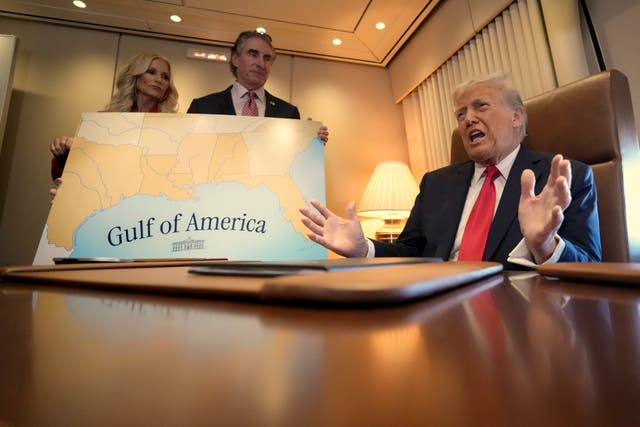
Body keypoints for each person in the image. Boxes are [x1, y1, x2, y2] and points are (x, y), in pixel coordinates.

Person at [299, 73, 602, 269]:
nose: (468, 119)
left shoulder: (562, 178)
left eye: (481, 106)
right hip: (438, 319)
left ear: (516, 117)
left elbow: (590, 267)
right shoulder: (436, 184)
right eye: (461, 113)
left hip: (520, 323)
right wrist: (365, 249)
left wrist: (546, 246)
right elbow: (412, 253)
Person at [49, 52, 179, 191]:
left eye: (165, 77)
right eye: (151, 72)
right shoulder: (104, 121)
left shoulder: (173, 128)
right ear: (135, 75)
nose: (159, 79)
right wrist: (63, 154)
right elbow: (72, 175)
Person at [187, 30, 329, 142]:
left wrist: (309, 141)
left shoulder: (288, 113)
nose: (261, 63)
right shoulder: (202, 107)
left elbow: (293, 160)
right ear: (236, 59)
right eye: (253, 54)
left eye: (267, 58)